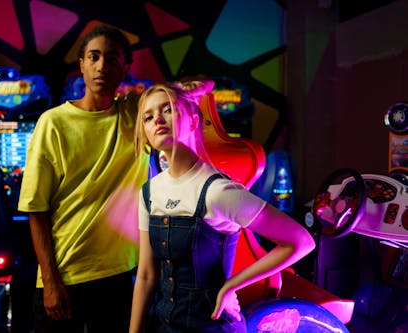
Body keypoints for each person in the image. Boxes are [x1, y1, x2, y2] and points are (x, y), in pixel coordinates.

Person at [129, 81, 316, 332]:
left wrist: (232, 285)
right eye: (148, 117)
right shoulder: (149, 192)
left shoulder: (218, 191)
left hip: (211, 325)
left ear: (195, 120)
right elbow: (146, 276)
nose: (157, 120)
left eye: (168, 109)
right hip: (164, 325)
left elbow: (301, 241)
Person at [17, 25, 150, 333]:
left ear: (125, 67)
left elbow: (194, 92)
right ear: (82, 65)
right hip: (64, 275)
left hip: (119, 276)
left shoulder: (137, 114)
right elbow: (36, 210)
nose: (102, 66)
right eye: (94, 57)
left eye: (113, 58)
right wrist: (50, 282)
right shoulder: (53, 122)